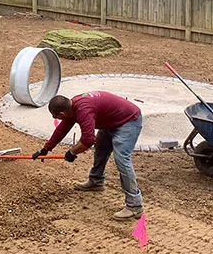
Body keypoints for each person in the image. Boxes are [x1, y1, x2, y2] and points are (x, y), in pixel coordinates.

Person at [33, 92, 145, 220]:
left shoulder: (83, 110)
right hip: (112, 120)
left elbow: (88, 140)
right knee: (101, 148)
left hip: (128, 121)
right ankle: (96, 181)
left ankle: (135, 206)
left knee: (122, 159)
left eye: (57, 117)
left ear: (62, 114)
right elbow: (61, 129)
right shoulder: (72, 106)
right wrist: (45, 149)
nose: (58, 119)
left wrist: (72, 152)